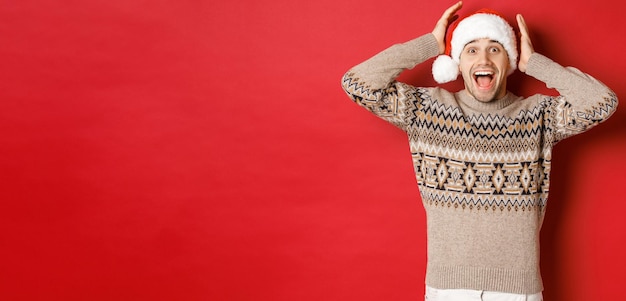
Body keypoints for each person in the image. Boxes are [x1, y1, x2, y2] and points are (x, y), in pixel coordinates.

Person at [340, 1, 618, 300]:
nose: (483, 58)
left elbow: (602, 102)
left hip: (518, 290)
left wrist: (535, 63)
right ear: (457, 63)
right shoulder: (427, 110)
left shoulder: (539, 116)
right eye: (471, 49)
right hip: (448, 288)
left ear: (509, 62)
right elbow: (358, 83)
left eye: (495, 49)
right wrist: (430, 44)